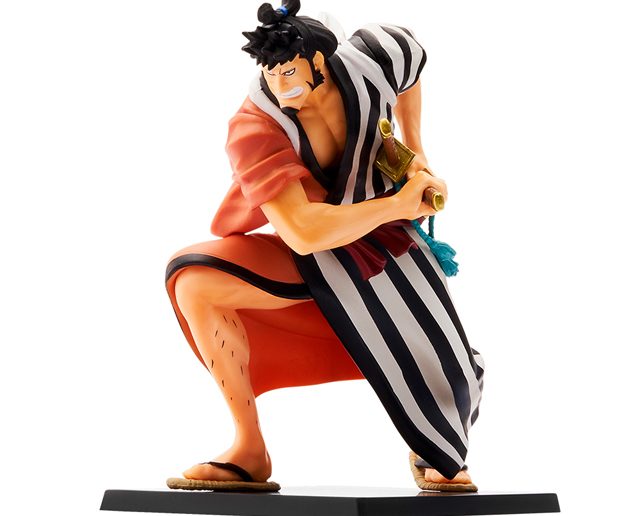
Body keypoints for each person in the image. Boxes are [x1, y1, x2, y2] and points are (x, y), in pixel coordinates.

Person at [165, 0, 484, 492]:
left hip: (389, 249)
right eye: (271, 74)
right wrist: (399, 204)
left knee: (447, 366)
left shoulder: (372, 57)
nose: (280, 85)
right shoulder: (256, 124)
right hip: (316, 246)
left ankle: (436, 446)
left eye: (289, 72)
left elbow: (412, 63)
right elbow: (303, 232)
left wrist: (416, 150)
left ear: (318, 61)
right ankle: (249, 448)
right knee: (194, 278)